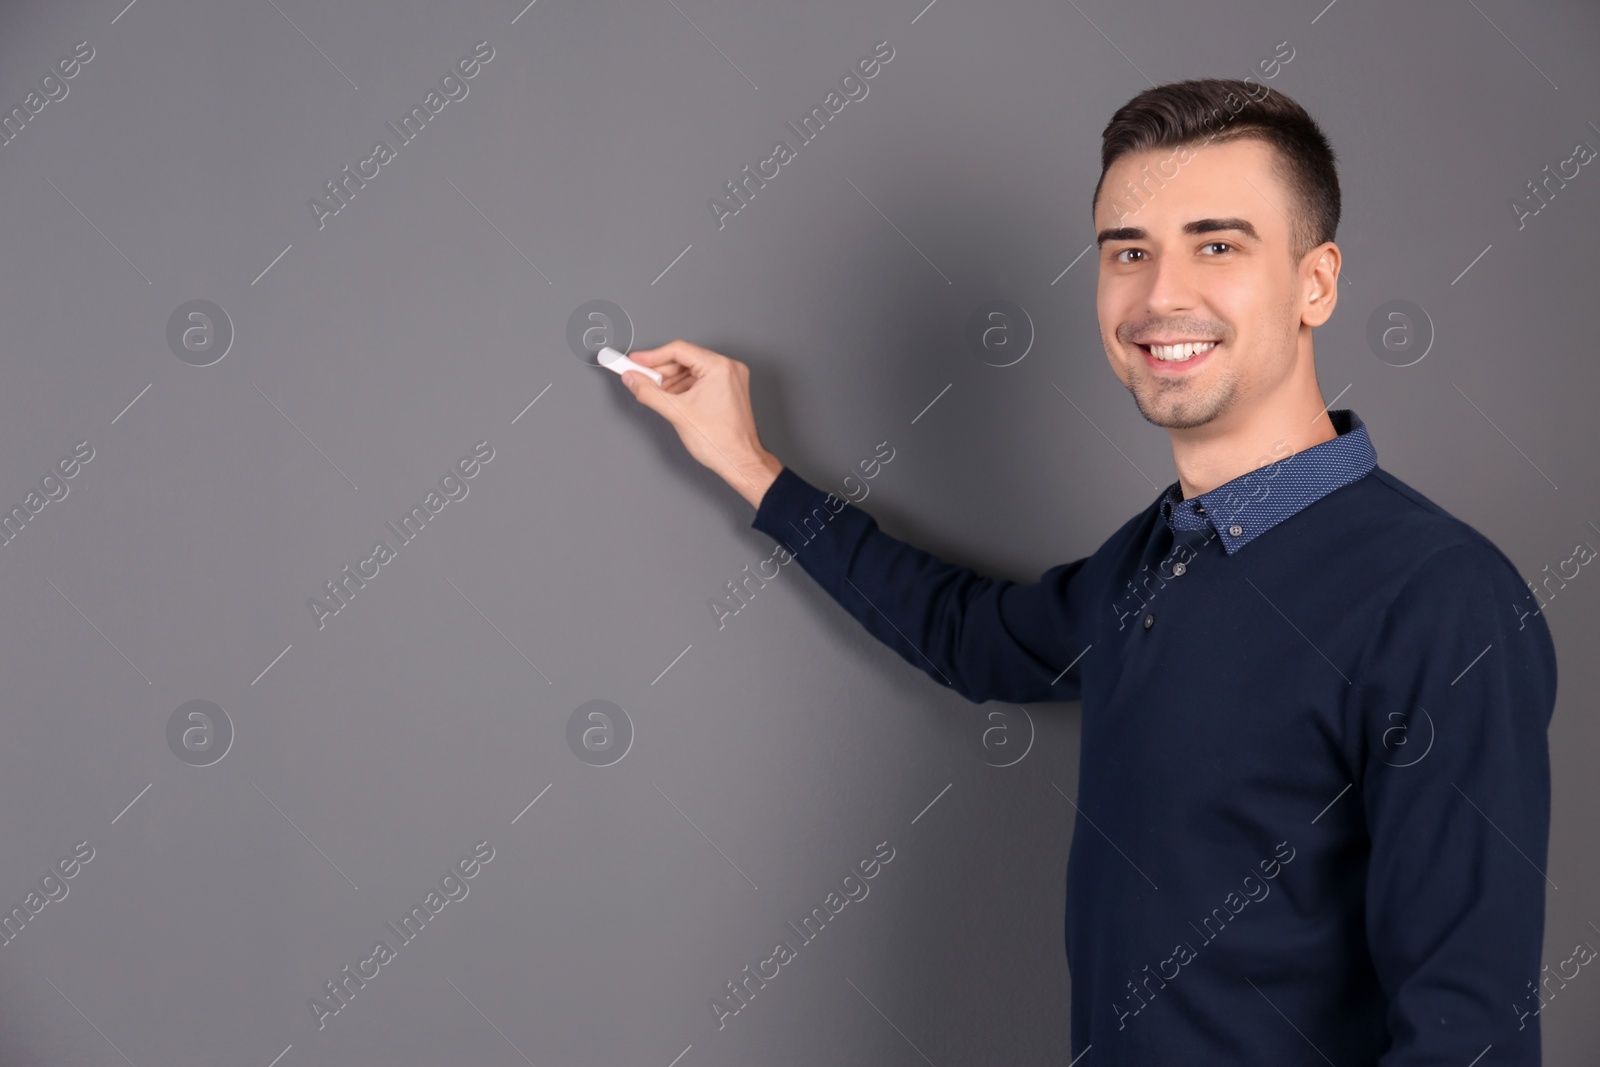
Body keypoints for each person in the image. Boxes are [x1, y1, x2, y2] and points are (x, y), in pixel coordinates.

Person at [616, 78, 1557, 1065]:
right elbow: (973, 637)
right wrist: (750, 466)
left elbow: (1469, 1035)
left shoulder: (1440, 598)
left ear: (1314, 282)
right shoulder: (1156, 556)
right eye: (1127, 252)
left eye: (1217, 244)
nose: (1161, 295)